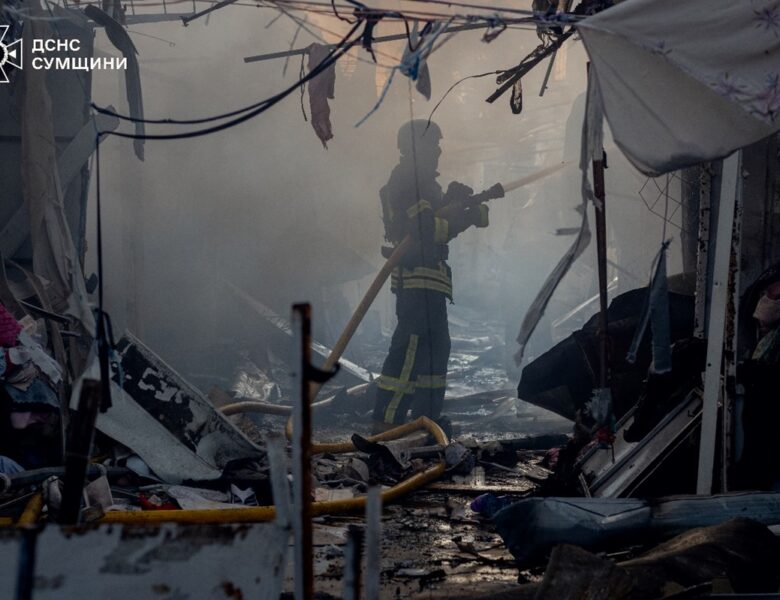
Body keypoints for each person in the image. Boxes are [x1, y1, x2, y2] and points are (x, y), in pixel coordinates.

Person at [372, 120, 501, 432]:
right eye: (433, 144)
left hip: (432, 281)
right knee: (410, 352)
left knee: (436, 353)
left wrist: (458, 206)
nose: (439, 150)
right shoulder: (406, 178)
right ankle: (386, 422)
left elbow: (437, 224)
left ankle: (425, 420)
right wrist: (463, 216)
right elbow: (423, 230)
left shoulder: (427, 184)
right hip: (415, 280)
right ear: (416, 147)